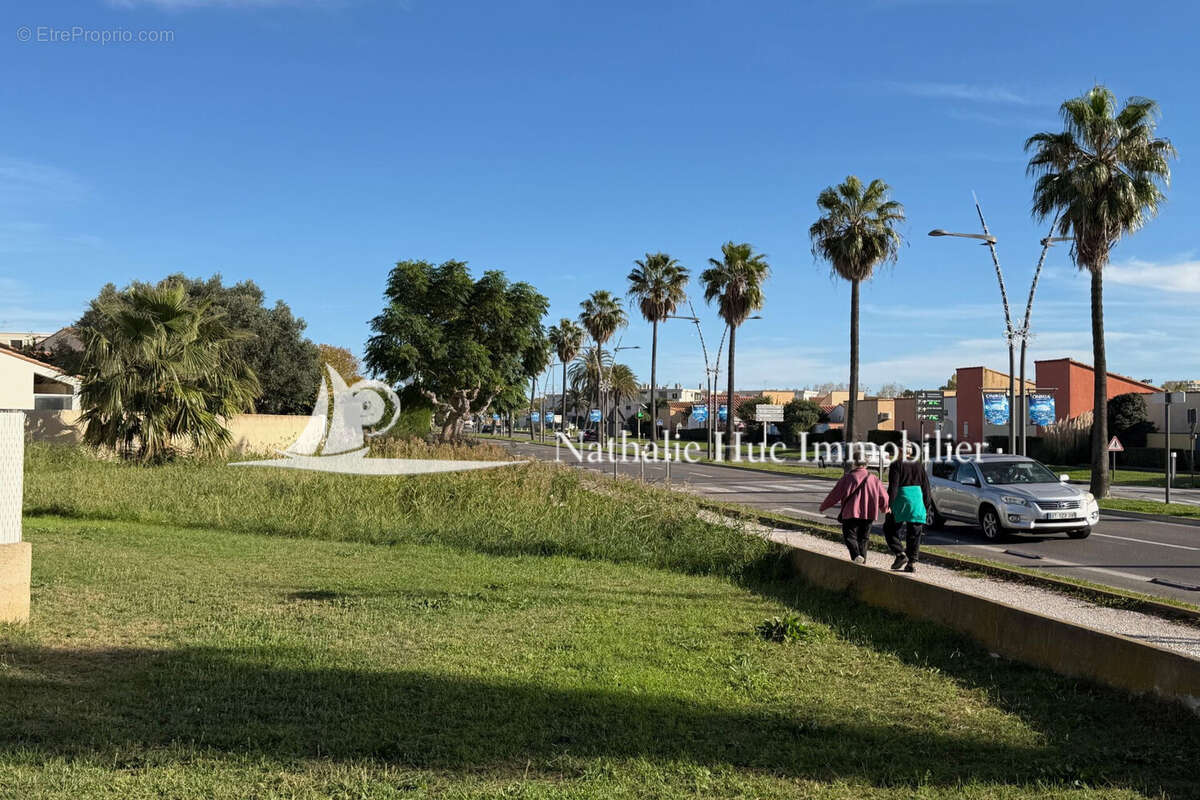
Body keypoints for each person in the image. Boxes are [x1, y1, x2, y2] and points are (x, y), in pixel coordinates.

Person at [819, 457, 889, 564]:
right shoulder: (874, 478)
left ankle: (856, 555)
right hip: (868, 514)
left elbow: (835, 495)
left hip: (851, 512)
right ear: (866, 464)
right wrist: (885, 508)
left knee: (849, 535)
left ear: (854, 463)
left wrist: (824, 506)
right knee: (863, 539)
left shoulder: (847, 478)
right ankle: (862, 561)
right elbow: (883, 496)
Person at [885, 443, 934, 573]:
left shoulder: (896, 464)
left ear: (899, 451)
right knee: (915, 532)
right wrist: (926, 504)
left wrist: (889, 505)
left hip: (901, 500)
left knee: (889, 528)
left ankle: (900, 553)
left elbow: (893, 487)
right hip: (917, 500)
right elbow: (926, 486)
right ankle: (911, 563)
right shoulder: (918, 465)